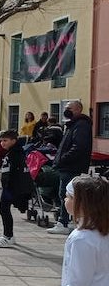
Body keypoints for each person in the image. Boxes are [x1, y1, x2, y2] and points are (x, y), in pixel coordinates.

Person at [20, 175, 109, 286]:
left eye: (68, 196)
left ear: (81, 203)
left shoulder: (81, 238)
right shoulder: (102, 233)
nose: (64, 199)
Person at [49, 101, 93, 235]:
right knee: (64, 194)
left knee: (67, 194)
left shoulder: (81, 125)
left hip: (72, 167)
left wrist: (63, 159)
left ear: (78, 109)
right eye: (66, 108)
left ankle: (64, 222)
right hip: (68, 166)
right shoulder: (73, 124)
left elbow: (79, 147)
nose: (66, 110)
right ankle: (65, 221)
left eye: (69, 108)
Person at [0, 130, 34, 248]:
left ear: (13, 141)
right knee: (3, 210)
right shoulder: (11, 152)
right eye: (1, 141)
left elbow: (16, 173)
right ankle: (7, 235)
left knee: (4, 209)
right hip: (9, 186)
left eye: (5, 141)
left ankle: (8, 236)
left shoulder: (16, 154)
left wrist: (11, 188)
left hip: (12, 187)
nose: (2, 143)